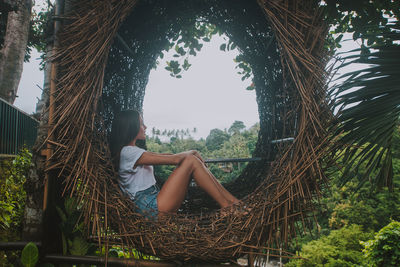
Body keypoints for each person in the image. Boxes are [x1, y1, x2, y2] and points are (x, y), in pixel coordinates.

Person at [110, 110, 240, 219]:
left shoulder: (134, 152)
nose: (145, 127)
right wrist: (192, 152)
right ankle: (227, 207)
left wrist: (191, 153)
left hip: (153, 204)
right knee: (191, 161)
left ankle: (234, 203)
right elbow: (174, 160)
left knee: (191, 159)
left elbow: (165, 156)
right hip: (151, 208)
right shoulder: (128, 152)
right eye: (141, 124)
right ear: (131, 127)